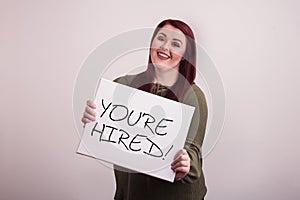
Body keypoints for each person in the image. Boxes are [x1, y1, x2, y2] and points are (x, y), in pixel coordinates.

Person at [82, 19, 208, 200]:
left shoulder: (193, 96)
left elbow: (192, 152)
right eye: (161, 38)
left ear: (186, 55)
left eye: (175, 43)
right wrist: (93, 122)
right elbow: (105, 138)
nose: (165, 46)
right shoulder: (123, 86)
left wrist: (186, 164)